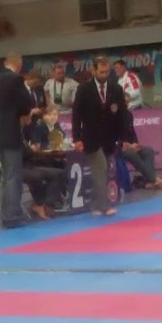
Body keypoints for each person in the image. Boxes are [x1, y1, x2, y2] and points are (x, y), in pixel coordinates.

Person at [71, 55, 125, 217]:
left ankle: (94, 203)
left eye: (107, 71)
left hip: (109, 137)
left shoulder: (116, 89)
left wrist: (124, 138)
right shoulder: (84, 89)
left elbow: (122, 115)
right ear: (93, 71)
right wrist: (77, 138)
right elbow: (76, 115)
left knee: (103, 171)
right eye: (101, 72)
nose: (104, 74)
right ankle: (104, 205)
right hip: (90, 137)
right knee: (100, 168)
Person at [0, 53, 35, 228]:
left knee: (6, 176)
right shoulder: (16, 79)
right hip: (11, 132)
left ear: (5, 63)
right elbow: (26, 104)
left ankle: (6, 213)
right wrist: (22, 113)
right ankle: (11, 216)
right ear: (19, 64)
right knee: (13, 176)